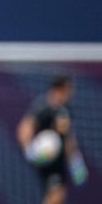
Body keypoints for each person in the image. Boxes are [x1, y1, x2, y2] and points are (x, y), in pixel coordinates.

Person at [16, 75, 89, 204]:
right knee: (56, 195)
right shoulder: (43, 107)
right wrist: (29, 150)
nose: (72, 93)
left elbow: (68, 137)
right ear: (61, 89)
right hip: (47, 159)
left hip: (59, 161)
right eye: (69, 89)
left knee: (59, 196)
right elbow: (24, 128)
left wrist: (76, 162)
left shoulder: (65, 109)